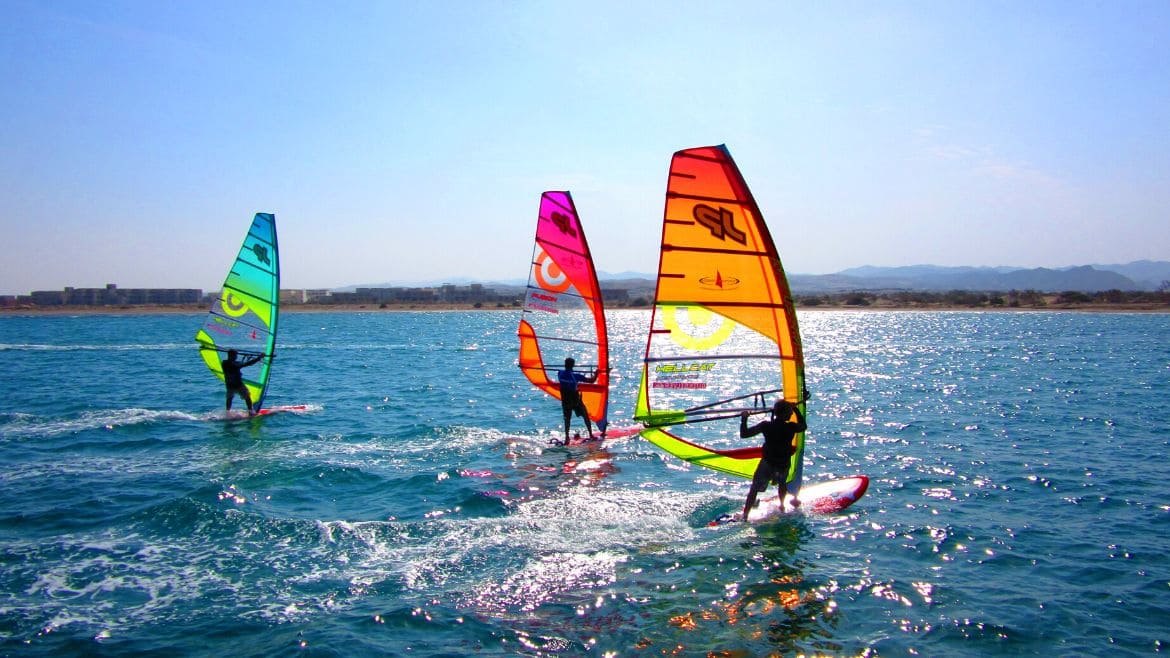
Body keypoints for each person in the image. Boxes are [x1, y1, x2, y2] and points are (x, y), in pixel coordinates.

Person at [740, 399, 806, 521]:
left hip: (768, 463)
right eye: (790, 412)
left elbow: (744, 434)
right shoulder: (791, 427)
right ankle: (782, 506)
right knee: (782, 483)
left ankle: (745, 515)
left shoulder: (766, 426)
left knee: (754, 489)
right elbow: (803, 426)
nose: (791, 414)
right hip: (782, 464)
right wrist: (796, 409)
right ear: (784, 414)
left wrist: (744, 418)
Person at [556, 357, 598, 444]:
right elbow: (592, 381)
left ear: (565, 365)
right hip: (576, 401)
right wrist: (596, 374)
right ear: (573, 365)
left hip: (566, 401)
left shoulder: (560, 374)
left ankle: (567, 437)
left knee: (567, 419)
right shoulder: (576, 376)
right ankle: (591, 434)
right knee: (585, 416)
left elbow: (562, 372)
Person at [222, 349, 265, 416]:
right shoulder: (232, 364)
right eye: (235, 356)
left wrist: (251, 359)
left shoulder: (224, 363)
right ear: (231, 356)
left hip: (229, 384)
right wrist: (259, 358)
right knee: (247, 397)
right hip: (238, 384)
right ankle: (250, 411)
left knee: (229, 398)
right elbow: (247, 364)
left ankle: (227, 412)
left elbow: (241, 363)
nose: (236, 357)